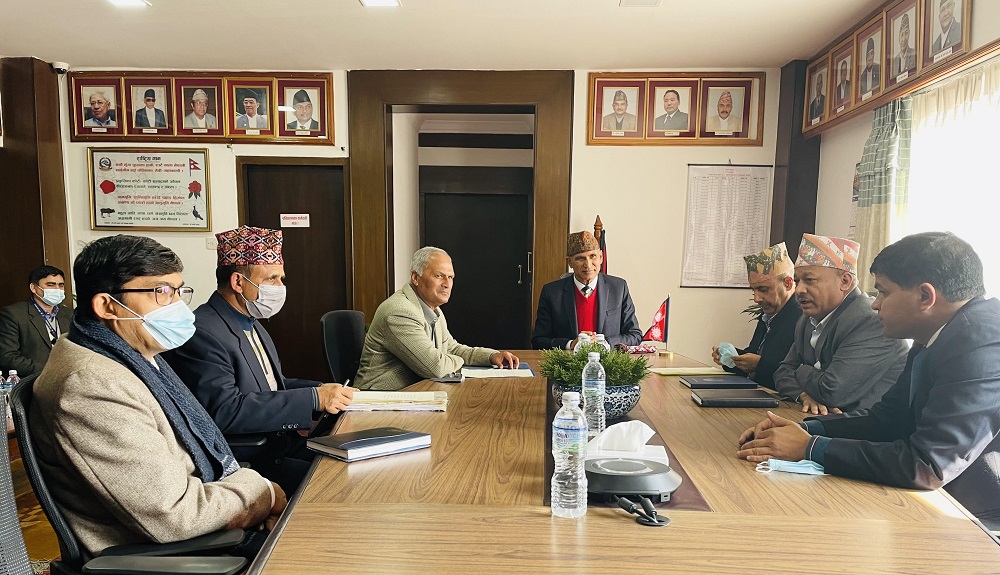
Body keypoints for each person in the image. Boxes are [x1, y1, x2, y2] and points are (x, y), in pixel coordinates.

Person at [30, 235, 283, 557]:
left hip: (204, 527)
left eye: (178, 291)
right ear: (107, 305)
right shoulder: (92, 385)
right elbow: (174, 515)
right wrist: (264, 493)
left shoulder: (129, 351)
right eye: (161, 292)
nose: (177, 305)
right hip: (171, 553)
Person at [737, 232, 1000, 530]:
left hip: (977, 518)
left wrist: (810, 447)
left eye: (883, 292)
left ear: (925, 297)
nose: (875, 305)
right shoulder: (937, 332)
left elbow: (926, 466)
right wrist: (804, 429)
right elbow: (885, 420)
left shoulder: (980, 344)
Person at [164, 226, 352, 495]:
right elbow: (225, 411)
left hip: (282, 443)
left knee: (362, 462)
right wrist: (313, 398)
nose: (280, 288)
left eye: (281, 279)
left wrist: (325, 390)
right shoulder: (203, 332)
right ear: (238, 282)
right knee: (344, 484)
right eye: (272, 279)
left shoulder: (251, 321)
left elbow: (273, 385)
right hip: (253, 462)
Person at [773, 233, 908, 414]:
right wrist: (803, 394)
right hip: (825, 421)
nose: (799, 290)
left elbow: (832, 392)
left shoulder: (871, 321)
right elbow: (782, 372)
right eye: (797, 281)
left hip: (867, 427)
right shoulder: (807, 320)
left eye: (809, 280)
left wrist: (801, 370)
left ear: (845, 281)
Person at [354, 247, 520, 391]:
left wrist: (492, 356)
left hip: (413, 395)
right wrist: (460, 361)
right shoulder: (399, 312)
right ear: (415, 277)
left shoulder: (433, 310)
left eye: (451, 277)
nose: (447, 284)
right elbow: (436, 367)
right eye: (439, 276)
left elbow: (452, 349)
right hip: (377, 403)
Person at [711, 243, 802, 390]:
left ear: (788, 283)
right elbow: (755, 356)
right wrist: (732, 358)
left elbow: (797, 374)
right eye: (754, 290)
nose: (756, 299)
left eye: (763, 289)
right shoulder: (768, 314)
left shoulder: (802, 318)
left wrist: (760, 365)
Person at [532, 231, 642, 350]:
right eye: (580, 258)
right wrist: (570, 344)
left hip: (608, 360)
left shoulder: (619, 288)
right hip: (567, 360)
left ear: (601, 257)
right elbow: (539, 340)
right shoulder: (551, 292)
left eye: (593, 256)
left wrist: (604, 343)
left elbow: (635, 335)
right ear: (570, 262)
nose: (588, 265)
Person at [0, 265, 73, 379]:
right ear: (34, 288)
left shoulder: (69, 314)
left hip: (67, 379)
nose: (57, 289)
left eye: (61, 285)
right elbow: (7, 356)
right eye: (50, 285)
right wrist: (49, 371)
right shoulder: (14, 314)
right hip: (32, 381)